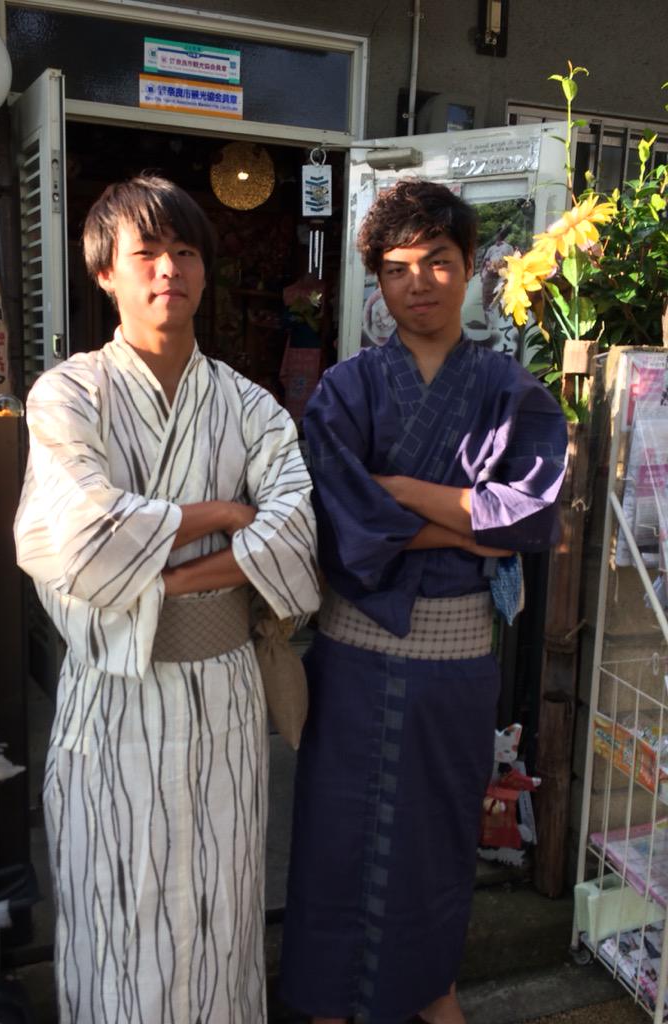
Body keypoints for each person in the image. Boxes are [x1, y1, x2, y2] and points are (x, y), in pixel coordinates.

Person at [14, 174, 320, 1024]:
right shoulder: (69, 394)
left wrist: (164, 573)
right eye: (145, 252)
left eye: (185, 252)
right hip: (113, 698)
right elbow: (79, 535)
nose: (168, 270)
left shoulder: (250, 406)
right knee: (116, 911)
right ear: (104, 272)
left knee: (221, 908)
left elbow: (296, 530)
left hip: (225, 692)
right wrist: (224, 517)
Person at [280, 178, 567, 1024]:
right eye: (398, 267)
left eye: (438, 261)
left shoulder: (513, 392)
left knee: (437, 839)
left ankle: (433, 993)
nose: (419, 283)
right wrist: (467, 526)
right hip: (352, 660)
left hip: (454, 662)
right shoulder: (345, 389)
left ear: (471, 266)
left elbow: (529, 517)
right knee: (334, 838)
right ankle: (328, 1004)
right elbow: (338, 522)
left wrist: (400, 489)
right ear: (377, 279)